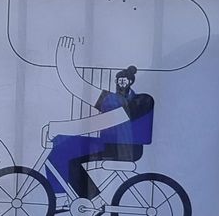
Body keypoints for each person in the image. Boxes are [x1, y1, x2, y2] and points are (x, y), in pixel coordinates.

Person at [41, 36, 154, 203]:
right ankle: (89, 199)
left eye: (125, 79)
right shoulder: (113, 100)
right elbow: (86, 94)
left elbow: (109, 120)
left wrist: (60, 126)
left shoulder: (143, 100)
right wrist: (64, 64)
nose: (121, 82)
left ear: (130, 81)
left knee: (62, 148)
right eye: (119, 79)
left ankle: (68, 199)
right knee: (61, 144)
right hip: (108, 144)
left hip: (125, 148)